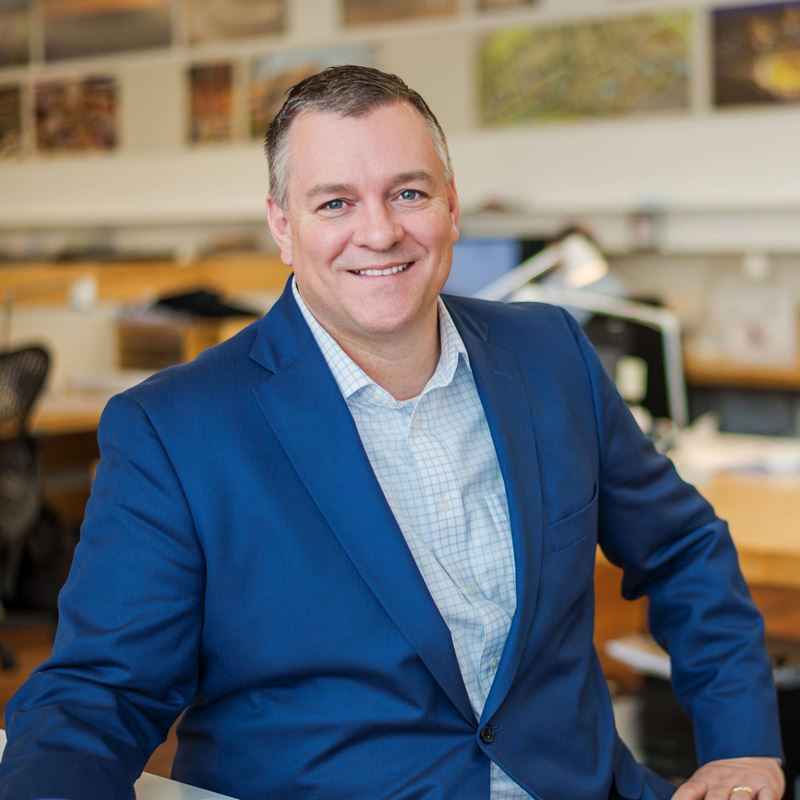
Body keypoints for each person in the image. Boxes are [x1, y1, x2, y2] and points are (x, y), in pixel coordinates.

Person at [0, 65, 784, 800]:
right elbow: (101, 694)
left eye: (407, 193)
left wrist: (741, 744)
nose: (378, 233)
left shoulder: (550, 354)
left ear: (451, 205)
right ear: (282, 227)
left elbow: (682, 549)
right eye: (334, 203)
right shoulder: (176, 429)